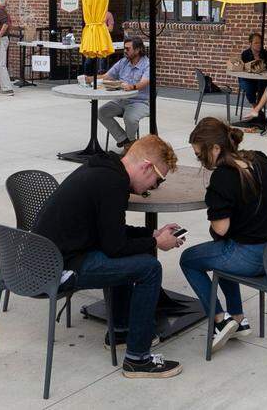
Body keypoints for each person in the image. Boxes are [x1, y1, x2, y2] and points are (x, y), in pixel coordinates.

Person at [33, 135, 185, 378]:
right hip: (57, 269)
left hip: (47, 258)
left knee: (132, 257)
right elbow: (115, 247)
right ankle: (138, 359)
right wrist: (157, 243)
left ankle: (121, 331)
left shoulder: (104, 170)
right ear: (146, 167)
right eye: (158, 180)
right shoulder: (113, 184)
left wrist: (151, 234)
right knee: (149, 267)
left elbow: (112, 234)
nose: (155, 187)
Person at [179, 117, 267, 351]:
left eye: (200, 154)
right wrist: (256, 194)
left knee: (188, 259)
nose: (200, 160)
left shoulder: (223, 176)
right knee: (220, 252)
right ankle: (237, 318)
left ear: (215, 148)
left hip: (249, 258)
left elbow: (220, 229)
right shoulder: (257, 158)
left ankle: (220, 320)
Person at [96, 37, 150, 148]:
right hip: (121, 100)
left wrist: (132, 87)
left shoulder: (147, 64)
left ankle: (130, 145)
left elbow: (144, 82)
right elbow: (107, 76)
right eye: (124, 48)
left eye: (128, 49)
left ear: (138, 50)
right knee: (101, 112)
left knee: (130, 118)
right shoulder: (123, 62)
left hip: (140, 101)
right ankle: (126, 141)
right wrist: (90, 78)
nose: (125, 51)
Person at [237, 32, 267, 124]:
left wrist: (264, 66)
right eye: (256, 43)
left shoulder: (265, 53)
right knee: (248, 87)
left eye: (260, 42)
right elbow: (242, 69)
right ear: (250, 43)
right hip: (249, 80)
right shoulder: (245, 54)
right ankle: (258, 110)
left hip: (262, 80)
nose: (259, 45)